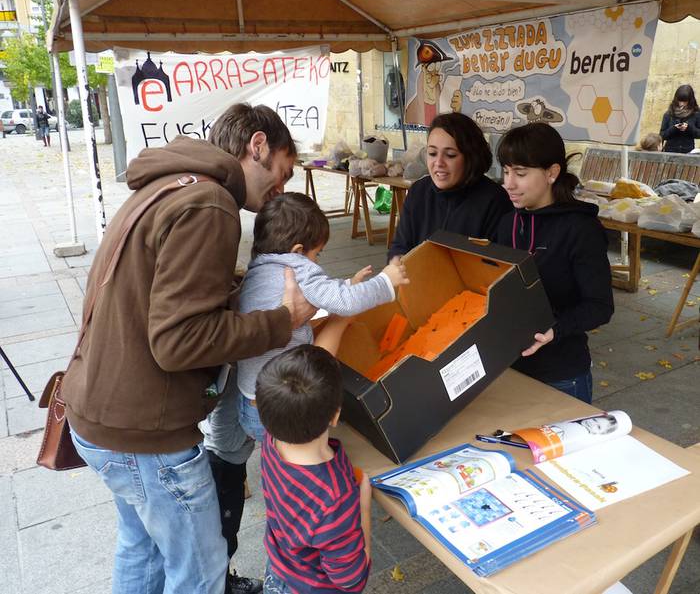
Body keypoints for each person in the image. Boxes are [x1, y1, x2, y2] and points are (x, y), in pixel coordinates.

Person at [63, 102, 314, 594]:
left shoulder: (169, 184)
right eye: (281, 174)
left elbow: (157, 294)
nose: (279, 191)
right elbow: (179, 343)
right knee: (199, 573)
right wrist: (282, 321)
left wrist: (236, 289)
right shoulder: (211, 204)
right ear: (257, 146)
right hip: (144, 432)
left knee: (143, 551)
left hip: (100, 413)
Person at [210, 191, 408, 443]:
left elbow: (321, 292)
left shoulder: (258, 270)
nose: (316, 262)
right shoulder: (296, 266)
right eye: (318, 254)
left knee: (276, 460)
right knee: (294, 462)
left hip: (249, 402)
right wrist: (386, 281)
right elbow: (343, 302)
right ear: (298, 250)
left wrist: (347, 284)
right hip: (282, 409)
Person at [494, 122, 614, 403]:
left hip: (561, 376)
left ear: (552, 172)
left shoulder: (580, 229)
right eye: (507, 171)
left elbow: (600, 306)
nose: (508, 183)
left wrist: (554, 329)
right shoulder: (507, 222)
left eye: (520, 173)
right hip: (508, 371)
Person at [256, 345, 372, 593]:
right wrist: (363, 505)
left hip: (279, 572)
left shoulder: (271, 439)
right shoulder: (335, 498)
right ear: (335, 416)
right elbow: (351, 580)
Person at [388, 112, 511, 260]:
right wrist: (396, 263)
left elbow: (495, 265)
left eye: (450, 155)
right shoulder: (419, 191)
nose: (438, 163)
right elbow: (400, 246)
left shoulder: (494, 200)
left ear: (471, 157)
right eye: (432, 153)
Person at [659, 84, 700, 154]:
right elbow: (662, 135)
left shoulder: (696, 114)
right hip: (670, 152)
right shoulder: (669, 114)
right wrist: (674, 129)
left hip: (688, 152)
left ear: (690, 100)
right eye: (680, 101)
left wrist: (689, 128)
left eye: (685, 101)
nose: (682, 104)